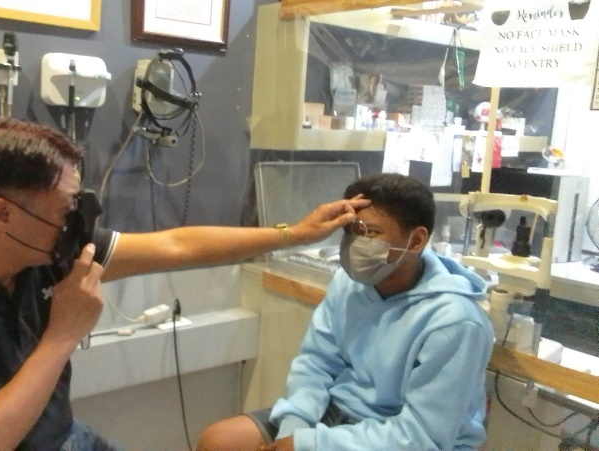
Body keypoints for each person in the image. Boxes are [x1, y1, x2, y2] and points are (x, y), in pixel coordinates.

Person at [0, 118, 369, 450]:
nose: (77, 226)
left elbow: (175, 246)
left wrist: (292, 233)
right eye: (63, 211)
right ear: (2, 214)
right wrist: (62, 334)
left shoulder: (45, 244)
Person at [197, 173, 494, 451]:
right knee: (220, 440)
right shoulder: (348, 283)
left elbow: (421, 437)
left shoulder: (456, 321)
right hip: (335, 413)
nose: (355, 243)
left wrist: (309, 446)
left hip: (397, 436)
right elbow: (316, 364)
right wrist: (294, 429)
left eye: (371, 233)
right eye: (351, 231)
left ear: (416, 241)